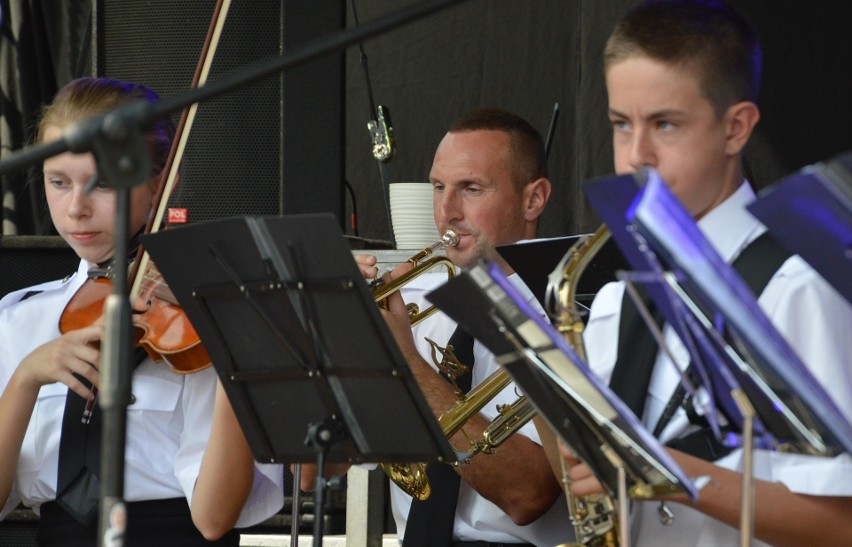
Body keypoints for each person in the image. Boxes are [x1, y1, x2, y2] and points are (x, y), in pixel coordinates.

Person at [548, 2, 852, 546]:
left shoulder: (797, 286)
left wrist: (668, 472)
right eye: (621, 125)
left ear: (736, 128)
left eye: (665, 124)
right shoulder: (621, 298)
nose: (636, 157)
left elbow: (840, 525)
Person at [0, 77, 284, 546]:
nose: (76, 208)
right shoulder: (19, 318)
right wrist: (27, 376)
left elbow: (214, 518)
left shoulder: (198, 316)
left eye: (104, 183)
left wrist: (238, 341)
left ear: (162, 180)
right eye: (58, 182)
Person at [351, 107, 571, 546]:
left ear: (534, 199)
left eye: (471, 188)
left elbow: (528, 496)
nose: (447, 211)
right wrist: (331, 325)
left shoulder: (568, 315)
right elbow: (324, 468)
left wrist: (408, 365)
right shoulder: (407, 301)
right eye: (438, 187)